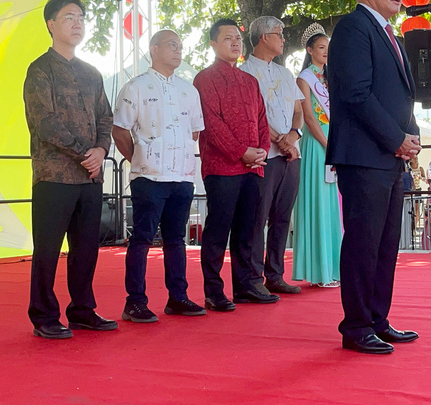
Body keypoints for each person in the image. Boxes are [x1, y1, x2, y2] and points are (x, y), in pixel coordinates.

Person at [326, 0, 421, 354]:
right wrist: (396, 138)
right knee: (364, 242)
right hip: (364, 155)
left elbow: (401, 97)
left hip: (391, 155)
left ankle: (378, 319)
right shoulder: (353, 28)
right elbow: (356, 94)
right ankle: (357, 325)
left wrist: (410, 137)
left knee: (386, 243)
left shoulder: (391, 35)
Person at [23, 0, 116, 339]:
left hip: (90, 175)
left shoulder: (92, 73)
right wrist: (84, 152)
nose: (77, 23)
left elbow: (105, 117)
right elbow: (44, 123)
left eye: (81, 18)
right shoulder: (40, 70)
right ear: (50, 24)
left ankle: (82, 309)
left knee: (86, 248)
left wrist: (101, 150)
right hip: (54, 176)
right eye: (69, 18)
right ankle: (44, 315)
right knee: (47, 248)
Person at [112, 30, 206, 322]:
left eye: (180, 46)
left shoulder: (189, 91)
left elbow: (194, 132)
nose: (178, 51)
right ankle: (135, 302)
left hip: (182, 176)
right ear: (153, 49)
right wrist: (139, 158)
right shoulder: (135, 87)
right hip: (148, 178)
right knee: (141, 238)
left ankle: (178, 297)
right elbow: (119, 130)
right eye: (171, 46)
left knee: (176, 239)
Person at [193, 18, 277, 311]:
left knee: (248, 229)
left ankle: (245, 286)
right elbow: (211, 125)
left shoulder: (250, 81)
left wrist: (262, 150)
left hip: (253, 167)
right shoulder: (204, 79)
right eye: (228, 38)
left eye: (238, 38)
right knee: (218, 230)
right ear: (213, 44)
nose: (235, 42)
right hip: (222, 168)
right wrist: (242, 151)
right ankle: (213, 291)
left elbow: (262, 121)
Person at [240, 16, 304, 296]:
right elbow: (249, 118)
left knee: (282, 216)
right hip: (264, 155)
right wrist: (277, 139)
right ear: (263, 37)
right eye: (279, 33)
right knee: (258, 216)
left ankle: (275, 274)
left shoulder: (285, 73)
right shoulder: (244, 73)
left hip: (291, 153)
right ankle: (252, 278)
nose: (283, 38)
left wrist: (293, 135)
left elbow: (299, 111)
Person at [292, 23, 341, 288]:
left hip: (332, 144)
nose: (325, 52)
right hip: (316, 146)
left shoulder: (329, 78)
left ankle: (334, 268)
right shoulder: (304, 78)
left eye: (328, 48)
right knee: (317, 204)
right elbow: (309, 117)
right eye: (321, 48)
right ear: (309, 50)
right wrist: (327, 144)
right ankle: (319, 271)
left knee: (332, 206)